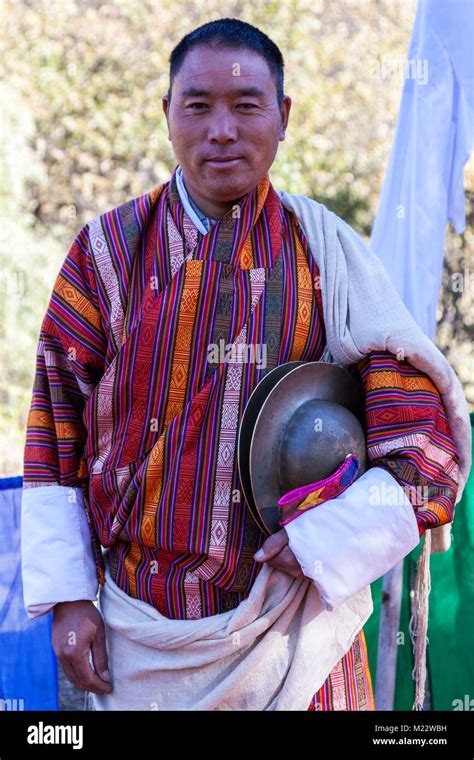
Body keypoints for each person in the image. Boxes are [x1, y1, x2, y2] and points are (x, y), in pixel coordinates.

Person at [21, 18, 462, 711]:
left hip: (297, 637)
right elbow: (55, 429)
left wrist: (325, 543)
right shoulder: (105, 254)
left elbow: (424, 443)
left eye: (246, 105)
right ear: (167, 115)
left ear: (283, 117)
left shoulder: (327, 255)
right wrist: (70, 598)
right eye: (198, 106)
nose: (221, 130)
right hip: (142, 635)